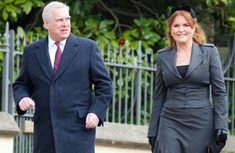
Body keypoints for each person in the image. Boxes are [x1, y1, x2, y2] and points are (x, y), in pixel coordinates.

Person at [12, 1, 112, 153]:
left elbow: (104, 85)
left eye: (67, 19)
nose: (65, 24)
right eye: (59, 20)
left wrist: (96, 112)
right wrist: (22, 98)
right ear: (46, 23)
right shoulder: (32, 52)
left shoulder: (88, 48)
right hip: (45, 135)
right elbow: (21, 84)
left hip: (78, 133)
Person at [147, 5, 228, 153]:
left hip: (201, 122)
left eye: (185, 25)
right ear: (171, 30)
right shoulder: (162, 56)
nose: (181, 29)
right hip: (170, 120)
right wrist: (153, 130)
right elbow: (159, 96)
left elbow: (219, 92)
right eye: (176, 25)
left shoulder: (209, 52)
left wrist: (221, 125)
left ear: (193, 27)